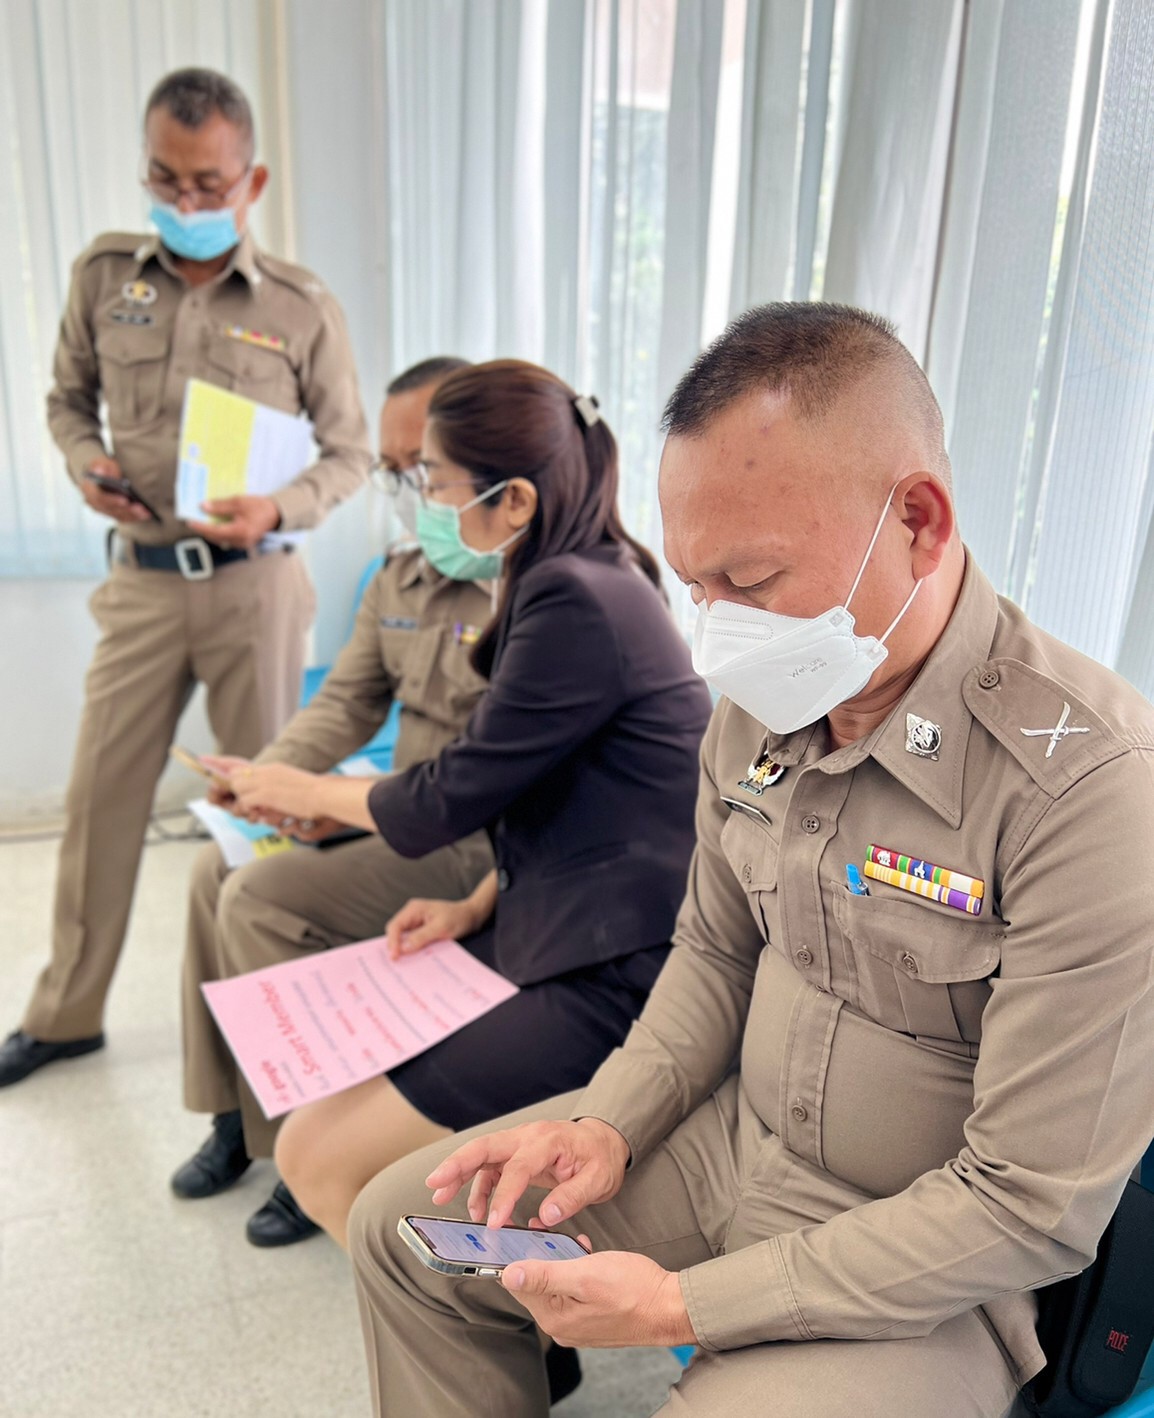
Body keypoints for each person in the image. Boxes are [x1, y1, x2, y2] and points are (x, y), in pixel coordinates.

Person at [345, 304, 1154, 1418]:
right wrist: (607, 1123)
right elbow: (714, 953)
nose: (718, 629)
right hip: (730, 1147)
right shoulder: (762, 710)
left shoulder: (1086, 791)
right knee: (401, 1236)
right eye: (696, 586)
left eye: (753, 578)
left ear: (917, 523)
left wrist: (681, 1306)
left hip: (925, 1263)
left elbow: (1024, 1206)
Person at [219, 360, 713, 1263]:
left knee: (322, 1163)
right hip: (560, 920)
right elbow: (568, 797)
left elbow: (455, 789)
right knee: (312, 1137)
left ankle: (476, 1322)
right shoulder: (587, 572)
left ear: (513, 499)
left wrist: (296, 790)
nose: (424, 504)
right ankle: (460, 1305)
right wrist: (474, 904)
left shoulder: (573, 595)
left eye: (433, 482)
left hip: (617, 968)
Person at [0, 68, 371, 1088]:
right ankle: (66, 1011)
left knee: (266, 808)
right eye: (166, 179)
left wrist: (278, 508)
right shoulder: (103, 276)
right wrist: (85, 462)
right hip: (143, 583)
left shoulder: (301, 306)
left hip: (257, 588)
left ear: (252, 181)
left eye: (208, 184)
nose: (186, 201)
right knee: (100, 798)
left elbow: (350, 453)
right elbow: (66, 400)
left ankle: (277, 1035)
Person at [174, 356, 497, 1248]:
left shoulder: (532, 594)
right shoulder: (400, 577)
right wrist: (263, 783)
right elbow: (346, 702)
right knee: (210, 870)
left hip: (471, 839)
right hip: (388, 813)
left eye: (419, 468)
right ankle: (237, 1115)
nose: (408, 493)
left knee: (259, 899)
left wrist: (331, 800)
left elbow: (479, 784)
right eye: (392, 472)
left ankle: (302, 1149)